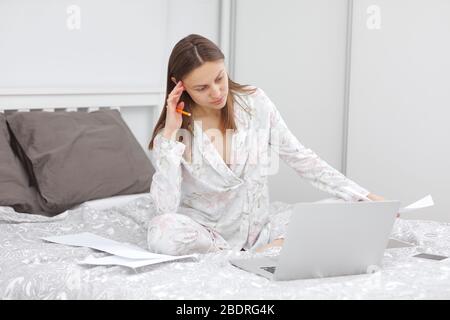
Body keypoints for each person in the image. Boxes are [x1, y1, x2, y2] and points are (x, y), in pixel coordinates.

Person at [146, 34, 385, 256]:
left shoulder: (254, 102)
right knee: (163, 230)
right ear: (179, 85)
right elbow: (164, 208)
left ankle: (265, 250)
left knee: (346, 208)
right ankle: (233, 257)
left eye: (219, 78)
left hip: (261, 235)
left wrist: (363, 195)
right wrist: (170, 132)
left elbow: (300, 157)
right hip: (210, 238)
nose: (217, 92)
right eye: (202, 88)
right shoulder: (170, 136)